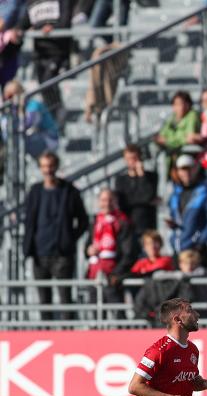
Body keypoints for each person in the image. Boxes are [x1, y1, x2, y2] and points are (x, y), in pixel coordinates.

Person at [23, 151, 88, 321]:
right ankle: (46, 334)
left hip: (63, 254)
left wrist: (69, 239)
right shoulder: (35, 191)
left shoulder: (70, 191)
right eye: (44, 166)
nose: (47, 170)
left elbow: (83, 220)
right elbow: (30, 220)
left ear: (56, 166)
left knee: (66, 298)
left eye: (50, 166)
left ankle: (68, 338)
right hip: (40, 253)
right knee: (44, 300)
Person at [17, 0, 73, 120]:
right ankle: (54, 116)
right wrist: (17, 29)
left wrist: (51, 28)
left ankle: (58, 114)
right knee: (43, 85)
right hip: (40, 54)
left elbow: (65, 21)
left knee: (49, 81)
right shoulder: (32, 3)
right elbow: (24, 23)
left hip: (57, 52)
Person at [166, 155, 207, 255]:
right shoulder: (175, 193)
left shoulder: (205, 192)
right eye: (182, 169)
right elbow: (176, 218)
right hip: (178, 246)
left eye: (189, 169)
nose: (186, 173)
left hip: (197, 249)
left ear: (195, 170)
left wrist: (200, 241)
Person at [3, 79, 58, 159]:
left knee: (16, 140)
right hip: (34, 138)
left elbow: (25, 125)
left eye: (11, 96)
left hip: (49, 140)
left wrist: (20, 110)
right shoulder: (12, 108)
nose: (8, 100)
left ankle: (15, 166)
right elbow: (5, 125)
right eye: (7, 96)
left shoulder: (33, 105)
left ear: (19, 93)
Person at [114, 144, 160, 236]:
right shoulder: (120, 180)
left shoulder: (151, 177)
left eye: (134, 158)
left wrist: (142, 176)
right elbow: (122, 202)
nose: (131, 161)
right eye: (128, 159)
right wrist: (145, 200)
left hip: (147, 225)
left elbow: (148, 195)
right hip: (128, 226)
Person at [155, 91, 200, 180]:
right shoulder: (171, 119)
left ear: (188, 104)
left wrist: (168, 140)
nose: (180, 107)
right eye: (177, 104)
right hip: (171, 159)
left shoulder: (192, 116)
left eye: (183, 104)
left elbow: (189, 138)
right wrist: (178, 138)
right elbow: (161, 136)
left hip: (187, 160)